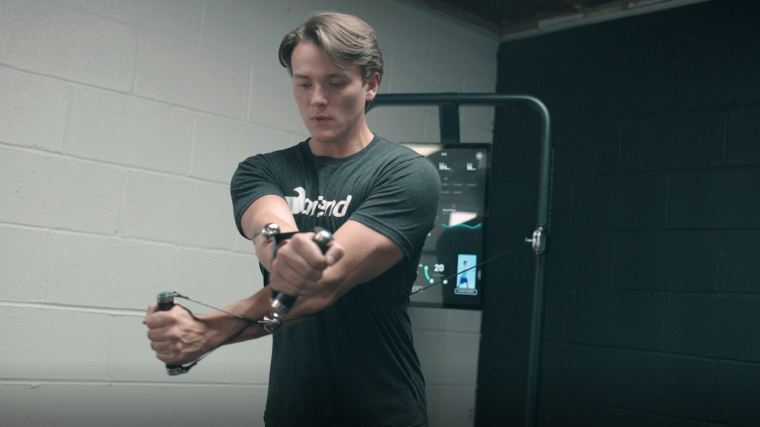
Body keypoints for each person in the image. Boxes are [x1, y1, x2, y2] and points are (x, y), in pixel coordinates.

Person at [143, 12, 440, 427]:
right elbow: (269, 226)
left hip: (383, 409)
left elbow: (324, 286)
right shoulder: (263, 170)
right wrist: (284, 247)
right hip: (290, 410)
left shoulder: (407, 174)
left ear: (370, 84)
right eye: (303, 84)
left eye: (335, 83)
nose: (317, 99)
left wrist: (209, 330)